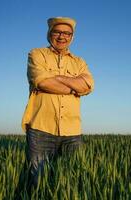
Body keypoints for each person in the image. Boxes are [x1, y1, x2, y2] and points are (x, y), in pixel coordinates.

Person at [21, 16, 94, 188]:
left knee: (72, 181)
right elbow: (41, 81)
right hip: (41, 129)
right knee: (37, 181)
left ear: (72, 37)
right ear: (49, 34)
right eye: (57, 32)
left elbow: (88, 86)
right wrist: (73, 87)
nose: (62, 36)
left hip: (72, 131)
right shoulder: (36, 54)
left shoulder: (80, 62)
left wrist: (57, 78)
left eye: (67, 33)